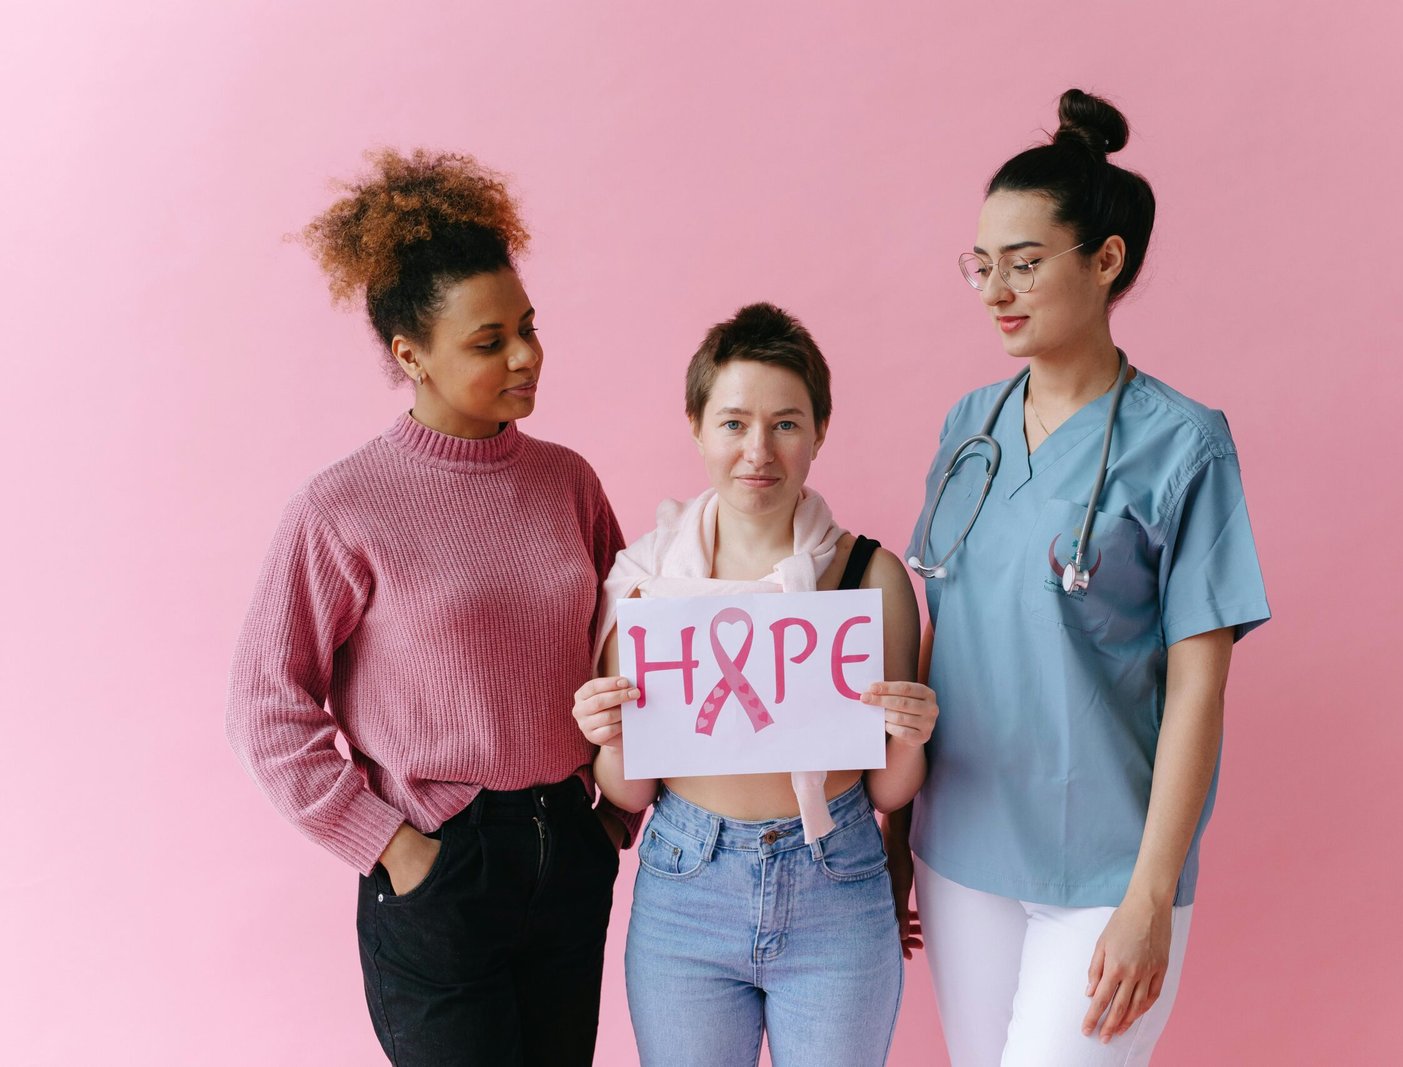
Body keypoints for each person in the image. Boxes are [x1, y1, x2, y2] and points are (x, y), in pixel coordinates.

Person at [225, 149, 636, 1066]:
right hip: (440, 864)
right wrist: (391, 845)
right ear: (412, 354)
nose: (526, 354)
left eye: (528, 326)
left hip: (567, 848)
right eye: (489, 342)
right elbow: (264, 705)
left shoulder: (567, 481)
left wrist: (612, 818)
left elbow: (631, 649)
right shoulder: (344, 506)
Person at [887, 89, 1272, 1066]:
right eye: (983, 265)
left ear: (1104, 261)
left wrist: (1150, 893)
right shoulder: (968, 422)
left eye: (1024, 263)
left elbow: (1199, 682)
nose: (995, 290)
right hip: (961, 847)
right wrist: (897, 833)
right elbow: (947, 629)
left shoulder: (1184, 446)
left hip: (1106, 864)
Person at [570, 303, 939, 1067]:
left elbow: (890, 789)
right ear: (698, 427)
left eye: (786, 424)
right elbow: (632, 795)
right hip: (685, 883)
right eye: (734, 423)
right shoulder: (645, 584)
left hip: (836, 879)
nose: (757, 450)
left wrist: (910, 731)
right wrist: (607, 736)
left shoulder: (870, 576)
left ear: (818, 433)